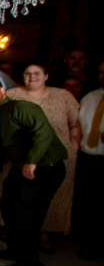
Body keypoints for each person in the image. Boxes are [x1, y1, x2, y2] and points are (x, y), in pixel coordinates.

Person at [0, 79, 68, 266]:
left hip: (43, 167)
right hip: (22, 166)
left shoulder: (21, 106)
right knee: (8, 205)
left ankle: (29, 264)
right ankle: (15, 250)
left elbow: (42, 132)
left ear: (3, 90)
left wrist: (32, 161)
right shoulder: (0, 113)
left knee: (27, 215)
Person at [6, 64, 81, 252]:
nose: (32, 77)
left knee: (41, 203)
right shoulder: (12, 95)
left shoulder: (63, 95)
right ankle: (19, 242)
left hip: (52, 158)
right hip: (23, 159)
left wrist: (74, 148)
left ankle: (35, 243)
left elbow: (74, 124)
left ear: (46, 76)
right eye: (27, 73)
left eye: (37, 73)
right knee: (22, 203)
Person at [74, 64, 104, 260]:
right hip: (87, 157)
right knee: (89, 204)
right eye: (102, 71)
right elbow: (78, 125)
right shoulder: (91, 97)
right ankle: (91, 245)